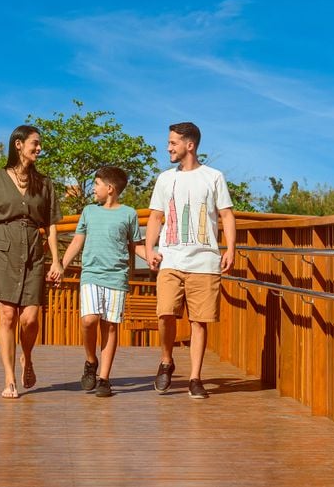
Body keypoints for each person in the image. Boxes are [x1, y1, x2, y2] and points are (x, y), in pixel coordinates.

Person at [144, 121, 236, 399]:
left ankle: (196, 378)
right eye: (169, 142)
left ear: (190, 145)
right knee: (165, 314)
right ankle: (166, 360)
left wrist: (230, 249)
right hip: (171, 259)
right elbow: (155, 217)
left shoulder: (214, 177)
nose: (168, 147)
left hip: (205, 261)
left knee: (199, 321)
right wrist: (149, 249)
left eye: (173, 143)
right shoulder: (165, 179)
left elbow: (227, 215)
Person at [0, 125, 63, 399]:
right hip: (3, 247)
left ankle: (27, 356)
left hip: (33, 251)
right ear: (18, 144)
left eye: (39, 145)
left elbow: (50, 225)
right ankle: (9, 379)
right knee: (7, 315)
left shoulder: (45, 183)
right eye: (34, 144)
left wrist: (57, 261)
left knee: (31, 317)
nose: (39, 148)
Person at [60, 166, 146, 398]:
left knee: (109, 325)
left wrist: (152, 256)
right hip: (91, 274)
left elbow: (135, 245)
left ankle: (105, 379)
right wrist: (61, 264)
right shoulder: (89, 211)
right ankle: (91, 361)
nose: (93, 189)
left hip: (116, 277)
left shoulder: (129, 214)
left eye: (96, 184)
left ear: (110, 189)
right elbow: (77, 241)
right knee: (89, 320)